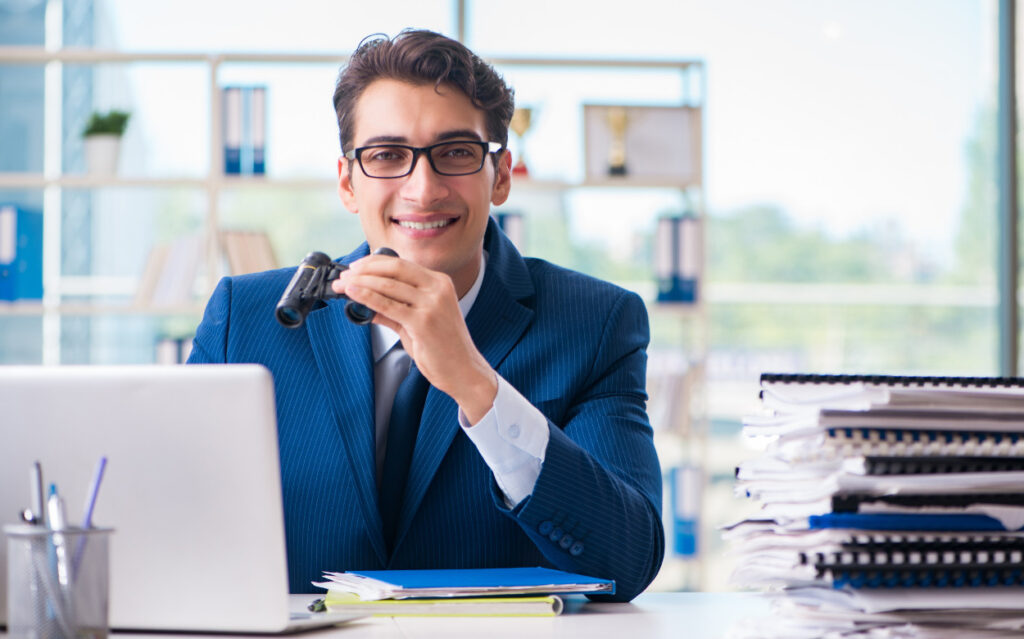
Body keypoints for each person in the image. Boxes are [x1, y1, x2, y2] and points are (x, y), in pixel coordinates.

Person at [187, 29, 664, 602]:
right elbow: (172, 521)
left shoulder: (597, 322)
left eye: (456, 153)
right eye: (387, 156)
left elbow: (628, 562)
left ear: (503, 175)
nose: (423, 188)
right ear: (348, 183)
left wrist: (476, 385)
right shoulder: (246, 318)